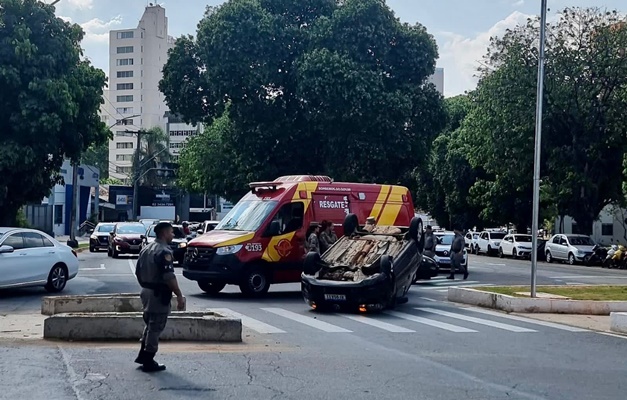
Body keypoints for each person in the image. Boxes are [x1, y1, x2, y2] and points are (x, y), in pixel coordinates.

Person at [134, 221, 186, 372]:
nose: (173, 235)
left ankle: (143, 355)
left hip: (146, 291)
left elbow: (138, 271)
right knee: (156, 327)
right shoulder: (164, 251)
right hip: (158, 294)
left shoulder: (146, 249)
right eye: (171, 232)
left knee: (149, 324)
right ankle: (149, 360)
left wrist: (146, 285)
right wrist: (179, 295)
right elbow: (169, 277)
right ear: (164, 233)